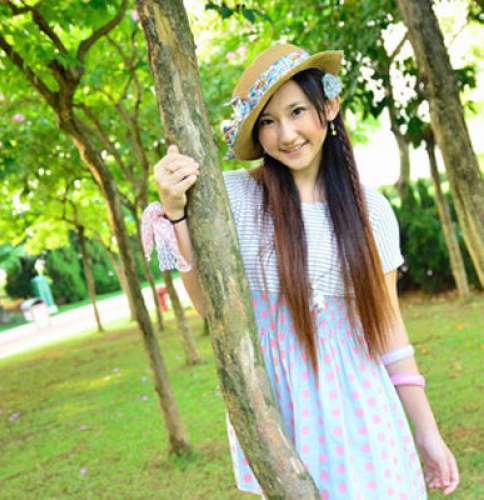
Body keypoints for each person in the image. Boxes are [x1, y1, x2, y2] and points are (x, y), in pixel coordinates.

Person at [146, 44, 459, 499]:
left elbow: (389, 330)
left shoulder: (370, 211)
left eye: (297, 112)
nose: (286, 134)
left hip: (366, 415)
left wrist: (427, 433)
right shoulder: (234, 199)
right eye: (268, 122)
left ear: (328, 108)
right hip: (284, 417)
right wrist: (176, 214)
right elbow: (210, 308)